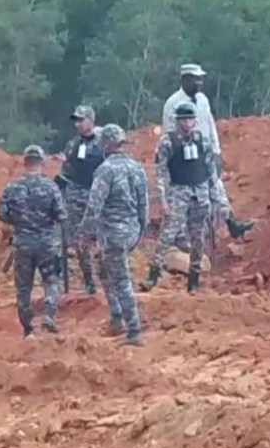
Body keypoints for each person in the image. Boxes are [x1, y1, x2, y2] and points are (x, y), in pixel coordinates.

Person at [162, 63, 254, 242]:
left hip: (205, 154)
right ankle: (181, 236)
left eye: (200, 79)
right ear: (185, 79)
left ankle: (231, 222)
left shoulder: (202, 100)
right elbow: (170, 134)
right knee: (185, 198)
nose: (199, 83)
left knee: (216, 188)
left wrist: (217, 151)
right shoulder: (173, 103)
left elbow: (210, 125)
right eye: (195, 79)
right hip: (184, 159)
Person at [141, 102, 223, 293]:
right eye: (183, 119)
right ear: (177, 121)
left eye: (190, 118)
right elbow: (160, 171)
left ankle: (193, 280)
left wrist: (215, 199)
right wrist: (162, 199)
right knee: (168, 234)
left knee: (198, 237)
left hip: (200, 193)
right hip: (179, 193)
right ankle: (153, 274)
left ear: (194, 120)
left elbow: (211, 172)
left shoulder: (202, 141)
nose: (187, 122)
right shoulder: (168, 142)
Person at [79, 124, 148, 345]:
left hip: (113, 233)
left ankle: (134, 330)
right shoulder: (137, 168)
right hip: (131, 230)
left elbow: (94, 205)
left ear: (106, 144)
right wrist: (140, 230)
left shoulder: (105, 170)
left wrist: (85, 233)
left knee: (121, 280)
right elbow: (143, 205)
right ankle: (117, 317)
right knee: (104, 270)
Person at [0, 145, 67, 338]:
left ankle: (28, 328)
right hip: (46, 243)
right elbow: (62, 215)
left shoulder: (12, 188)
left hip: (22, 244)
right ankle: (49, 315)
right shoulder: (51, 187)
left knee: (23, 287)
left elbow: (2, 214)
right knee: (52, 281)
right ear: (42, 163)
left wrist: (20, 222)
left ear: (25, 162)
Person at [54, 105, 105, 294]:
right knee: (78, 241)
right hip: (75, 197)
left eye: (81, 120)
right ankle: (89, 282)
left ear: (91, 120)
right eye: (76, 120)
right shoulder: (72, 145)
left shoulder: (102, 144)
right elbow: (66, 172)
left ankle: (108, 280)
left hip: (97, 197)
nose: (77, 124)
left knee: (103, 239)